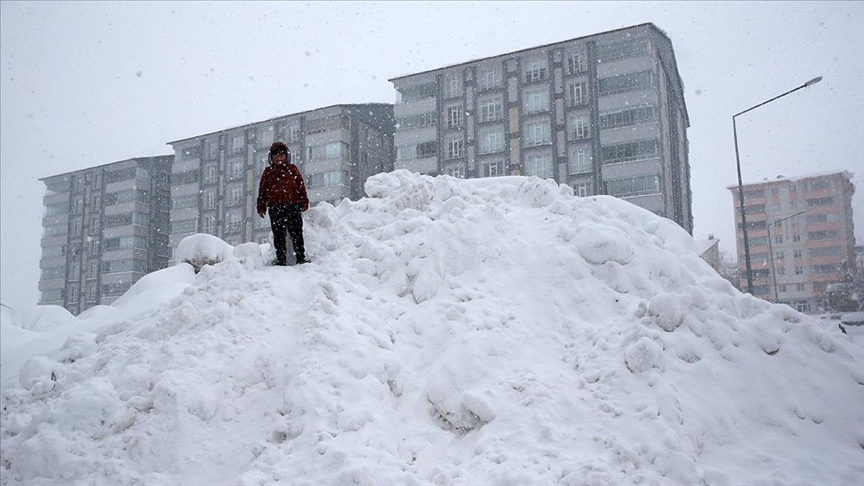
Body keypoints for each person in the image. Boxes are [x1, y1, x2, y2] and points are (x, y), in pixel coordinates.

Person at [257, 141, 310, 265]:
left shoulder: (292, 169)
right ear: (271, 158)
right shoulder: (268, 172)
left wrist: (304, 201)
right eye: (276, 156)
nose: (279, 158)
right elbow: (262, 190)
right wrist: (261, 206)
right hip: (275, 207)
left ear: (286, 156)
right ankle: (281, 259)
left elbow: (300, 186)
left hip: (293, 205)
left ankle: (301, 258)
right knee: (278, 235)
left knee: (296, 233)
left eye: (282, 155)